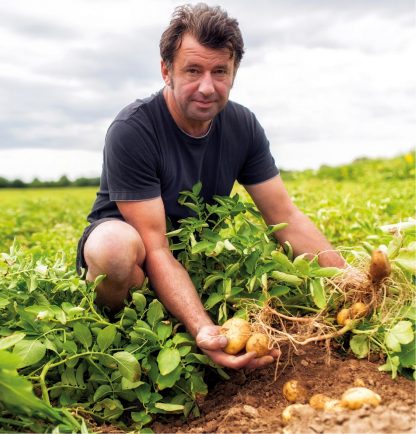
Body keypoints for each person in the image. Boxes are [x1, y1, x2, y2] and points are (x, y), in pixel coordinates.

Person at [77, 3, 346, 370]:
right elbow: (156, 248)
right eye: (193, 70)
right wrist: (205, 330)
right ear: (165, 70)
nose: (207, 87)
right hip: (140, 250)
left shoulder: (242, 126)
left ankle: (174, 315)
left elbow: (284, 215)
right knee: (114, 251)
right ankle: (127, 325)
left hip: (192, 252)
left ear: (234, 73)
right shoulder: (134, 129)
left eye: (220, 71)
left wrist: (349, 283)